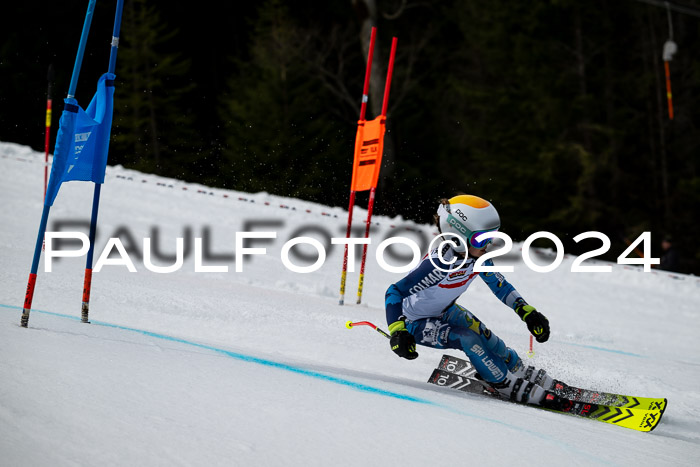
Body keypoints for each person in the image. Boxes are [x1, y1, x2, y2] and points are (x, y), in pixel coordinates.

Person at [385, 194, 560, 407]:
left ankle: (516, 368)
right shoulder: (439, 264)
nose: (487, 245)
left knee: (488, 339)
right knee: (467, 338)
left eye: (491, 238)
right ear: (457, 236)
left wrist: (528, 312)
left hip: (446, 310)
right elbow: (393, 292)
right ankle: (502, 383)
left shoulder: (477, 258)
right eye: (481, 239)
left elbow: (501, 286)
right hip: (414, 323)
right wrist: (397, 331)